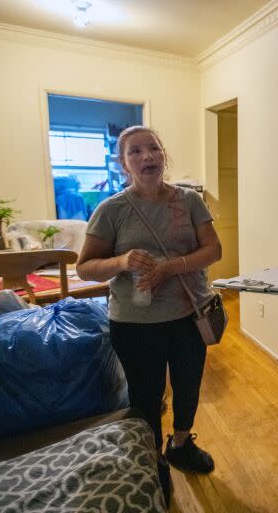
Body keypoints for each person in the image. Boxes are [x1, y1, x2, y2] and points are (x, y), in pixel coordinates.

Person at [77, 125, 222, 502]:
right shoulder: (112, 210)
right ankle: (151, 456)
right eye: (135, 152)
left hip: (190, 315)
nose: (147, 157)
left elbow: (213, 251)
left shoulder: (189, 201)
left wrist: (168, 268)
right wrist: (123, 260)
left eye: (153, 149)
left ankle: (180, 444)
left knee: (189, 385)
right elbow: (84, 267)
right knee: (146, 395)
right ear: (123, 165)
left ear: (163, 155)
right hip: (135, 323)